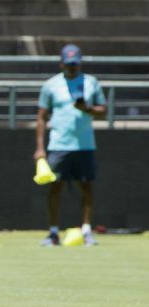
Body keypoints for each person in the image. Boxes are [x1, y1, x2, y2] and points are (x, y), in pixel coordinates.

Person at [34, 44, 106, 247]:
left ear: (80, 63)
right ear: (61, 63)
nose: (72, 68)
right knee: (55, 188)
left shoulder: (91, 83)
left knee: (86, 187)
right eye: (68, 65)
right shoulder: (51, 86)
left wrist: (88, 108)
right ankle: (53, 232)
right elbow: (41, 118)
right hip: (59, 145)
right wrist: (40, 148)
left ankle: (86, 231)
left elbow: (103, 112)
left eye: (75, 65)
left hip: (85, 145)